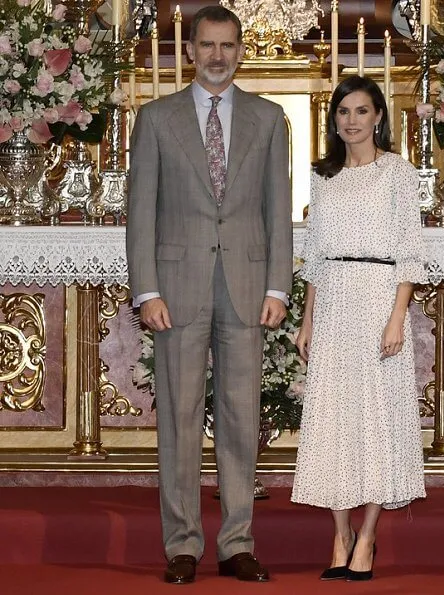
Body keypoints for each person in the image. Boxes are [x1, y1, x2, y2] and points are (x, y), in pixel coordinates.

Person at [126, 5, 292, 584]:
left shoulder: (269, 119)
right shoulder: (155, 119)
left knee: (241, 419)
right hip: (176, 288)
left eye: (228, 45)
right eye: (208, 46)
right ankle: (182, 545)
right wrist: (146, 288)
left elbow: (278, 207)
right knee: (178, 415)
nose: (218, 56)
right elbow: (139, 211)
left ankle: (237, 541)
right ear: (190, 51)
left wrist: (278, 284)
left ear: (240, 49)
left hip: (247, 287)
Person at [291, 75, 427, 582]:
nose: (352, 121)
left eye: (362, 111)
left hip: (378, 298)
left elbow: (410, 249)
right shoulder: (323, 176)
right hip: (333, 306)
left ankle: (368, 536)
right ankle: (339, 533)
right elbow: (317, 253)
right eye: (343, 112)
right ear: (334, 120)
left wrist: (397, 316)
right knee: (335, 418)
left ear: (378, 117)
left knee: (379, 418)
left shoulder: (398, 172)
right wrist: (307, 321)